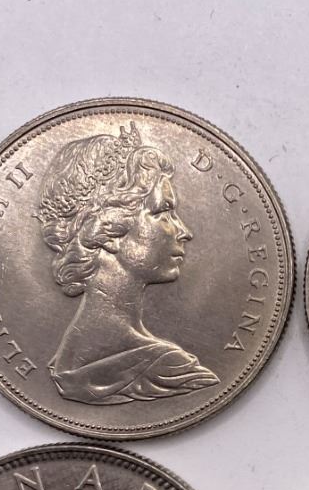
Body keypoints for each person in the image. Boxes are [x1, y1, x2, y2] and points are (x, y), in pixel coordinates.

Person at [36, 124, 220, 405]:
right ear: (108, 231)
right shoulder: (170, 370)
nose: (184, 231)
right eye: (163, 212)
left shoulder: (65, 363)